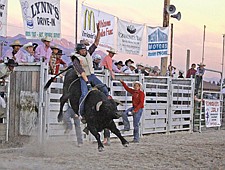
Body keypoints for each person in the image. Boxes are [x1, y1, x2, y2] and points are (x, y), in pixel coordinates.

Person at [74, 44, 110, 117]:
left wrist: (99, 32)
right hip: (83, 77)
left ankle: (107, 107)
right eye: (82, 50)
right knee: (84, 94)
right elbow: (82, 72)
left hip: (92, 75)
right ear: (78, 52)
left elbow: (95, 44)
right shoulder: (76, 60)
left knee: (105, 89)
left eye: (85, 50)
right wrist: (87, 82)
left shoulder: (88, 53)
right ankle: (81, 112)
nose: (84, 51)